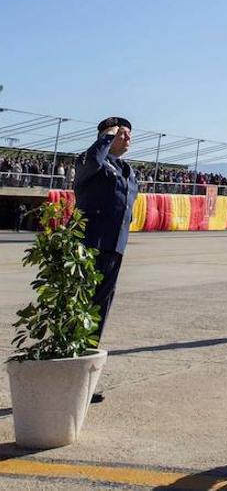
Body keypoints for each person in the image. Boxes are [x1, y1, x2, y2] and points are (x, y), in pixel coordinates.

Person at [74, 116, 140, 404]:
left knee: (98, 313)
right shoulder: (91, 162)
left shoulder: (127, 170)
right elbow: (92, 161)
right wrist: (106, 136)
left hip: (114, 248)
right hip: (89, 245)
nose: (128, 139)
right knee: (79, 310)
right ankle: (69, 375)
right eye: (122, 134)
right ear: (107, 135)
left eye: (130, 135)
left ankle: (84, 380)